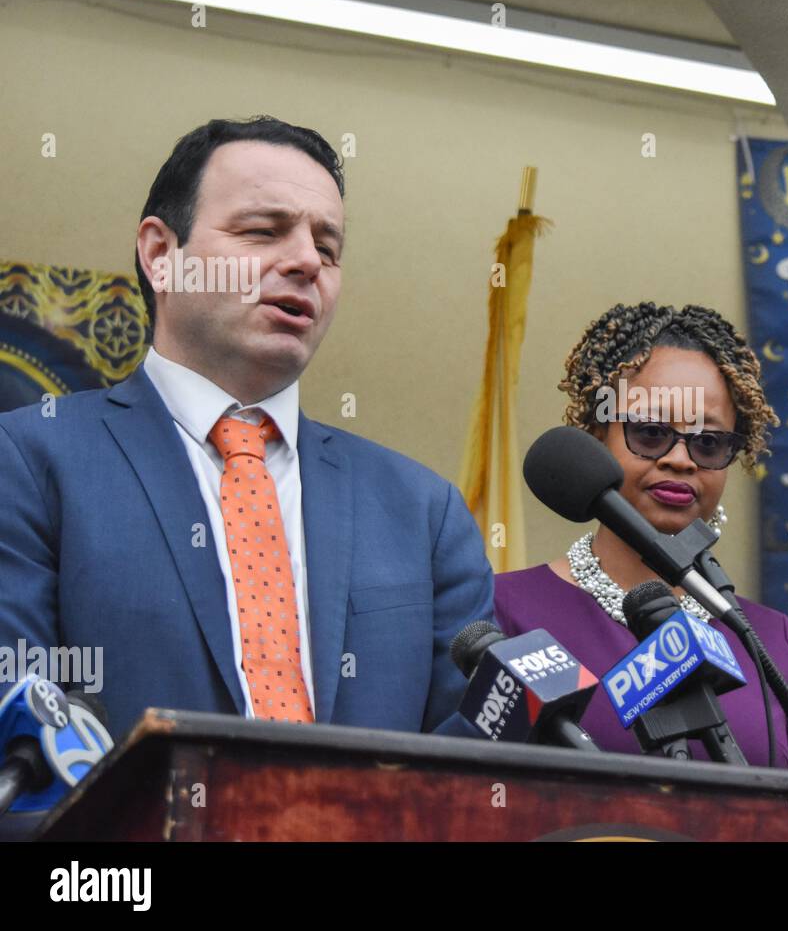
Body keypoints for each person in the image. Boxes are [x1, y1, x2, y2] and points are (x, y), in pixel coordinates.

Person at [0, 117, 493, 743]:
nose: (307, 262)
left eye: (329, 248)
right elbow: (19, 736)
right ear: (161, 255)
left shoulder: (423, 511)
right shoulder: (27, 462)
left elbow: (471, 767)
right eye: (263, 232)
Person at [493, 302, 788, 771]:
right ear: (596, 435)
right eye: (651, 432)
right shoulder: (506, 613)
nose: (681, 459)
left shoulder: (782, 648)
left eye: (707, 443)